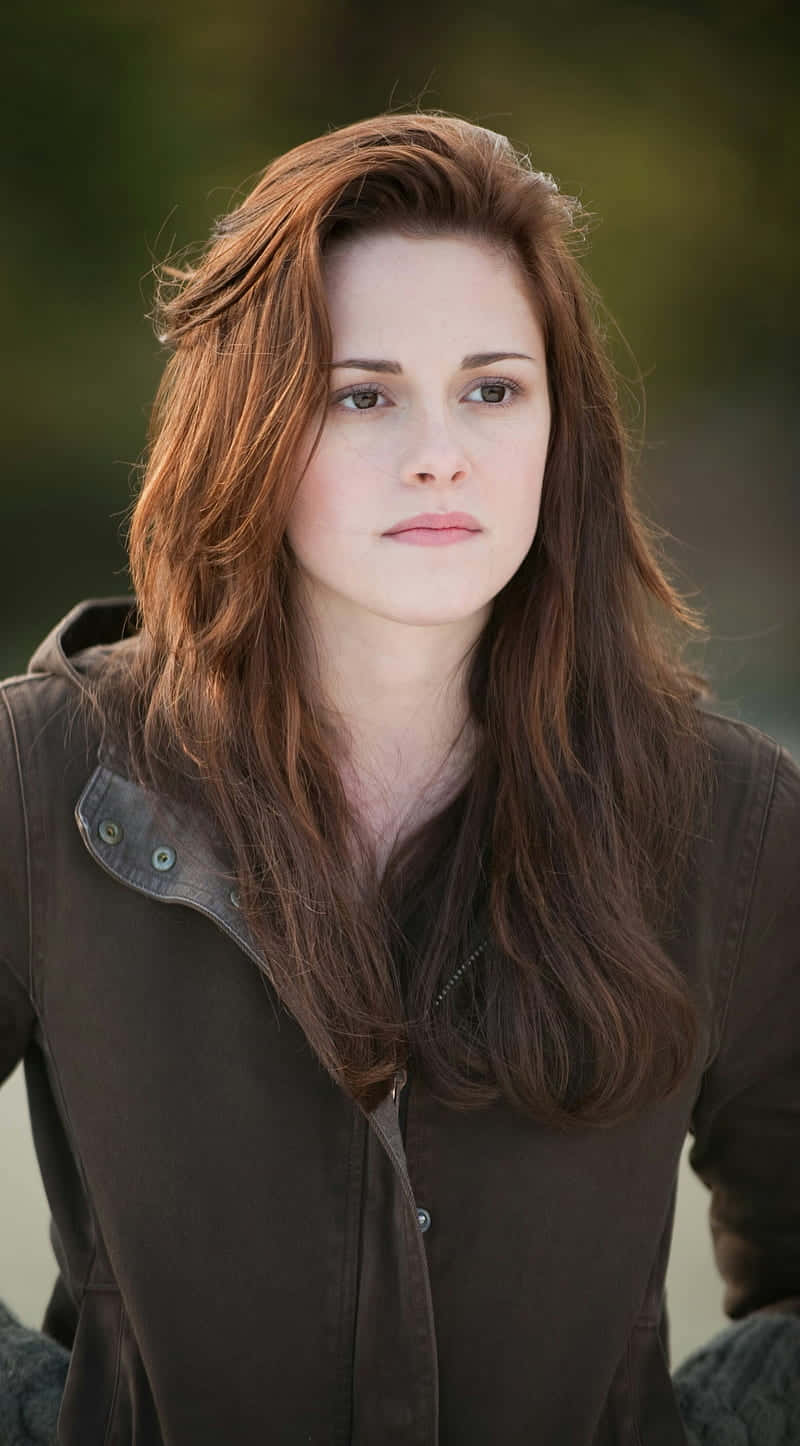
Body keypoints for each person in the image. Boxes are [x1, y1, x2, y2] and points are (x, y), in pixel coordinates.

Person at [1, 109, 798, 1446]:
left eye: (493, 388)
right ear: (249, 427)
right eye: (360, 394)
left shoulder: (731, 823)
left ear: (562, 426)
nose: (441, 450)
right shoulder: (46, 780)